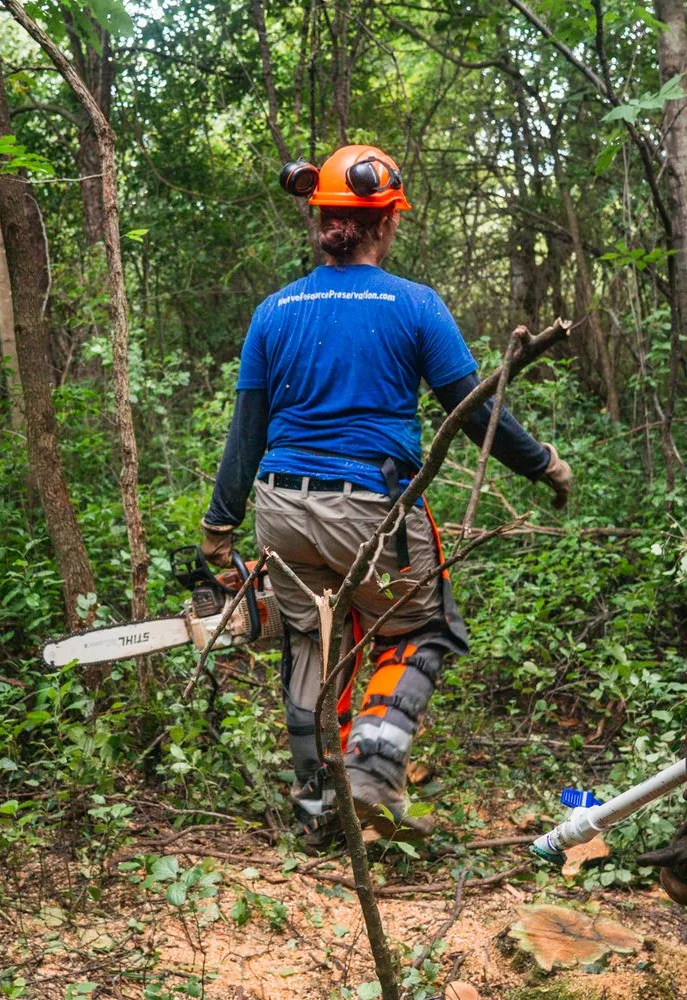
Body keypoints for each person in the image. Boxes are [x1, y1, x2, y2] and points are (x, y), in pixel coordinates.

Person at [200, 144, 572, 846]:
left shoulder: (273, 312)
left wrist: (218, 530)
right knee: (419, 628)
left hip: (280, 509)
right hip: (369, 510)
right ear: (386, 224)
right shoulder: (415, 306)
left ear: (322, 224)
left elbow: (245, 433)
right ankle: (371, 773)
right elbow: (474, 412)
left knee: (310, 644)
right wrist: (544, 464)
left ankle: (318, 819)